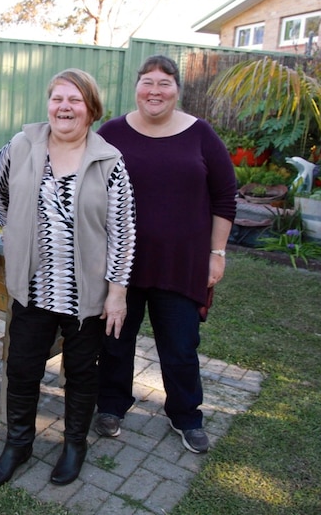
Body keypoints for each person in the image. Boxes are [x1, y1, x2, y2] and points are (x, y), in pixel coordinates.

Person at [0, 69, 136, 486]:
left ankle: (73, 446)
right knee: (22, 367)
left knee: (83, 372)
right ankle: (19, 443)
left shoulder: (109, 161)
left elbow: (123, 231)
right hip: (32, 288)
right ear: (49, 104)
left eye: (75, 101)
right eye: (58, 99)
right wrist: (13, 230)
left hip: (86, 294)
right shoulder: (22, 145)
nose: (64, 107)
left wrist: (117, 293)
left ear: (90, 110)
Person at [92, 55, 237, 454]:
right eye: (147, 82)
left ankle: (186, 415)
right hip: (122, 264)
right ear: (136, 87)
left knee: (180, 345)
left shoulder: (200, 134)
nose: (155, 91)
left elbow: (225, 196)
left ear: (177, 91)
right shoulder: (111, 134)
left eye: (164, 83)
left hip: (182, 264)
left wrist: (217, 253)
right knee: (115, 340)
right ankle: (111, 406)